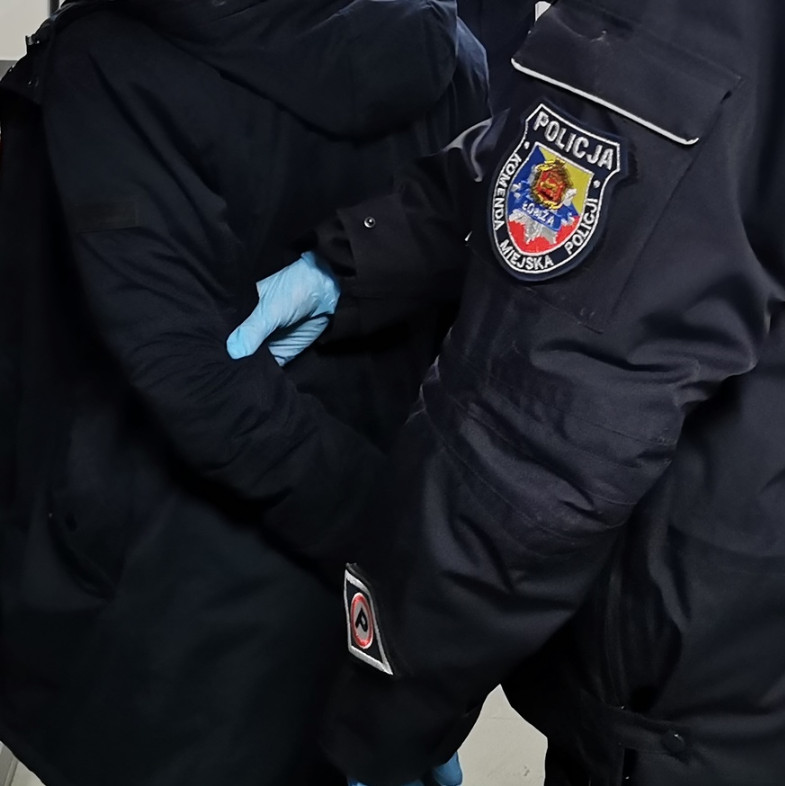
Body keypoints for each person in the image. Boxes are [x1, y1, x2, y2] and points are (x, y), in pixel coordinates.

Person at [232, 0, 785, 784]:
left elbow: (541, 428)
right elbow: (659, 155)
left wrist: (390, 709)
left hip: (723, 714)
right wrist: (365, 252)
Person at [0, 1, 487, 785]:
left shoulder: (113, 61)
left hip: (171, 602)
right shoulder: (449, 47)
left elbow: (195, 379)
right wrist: (402, 540)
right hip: (362, 594)